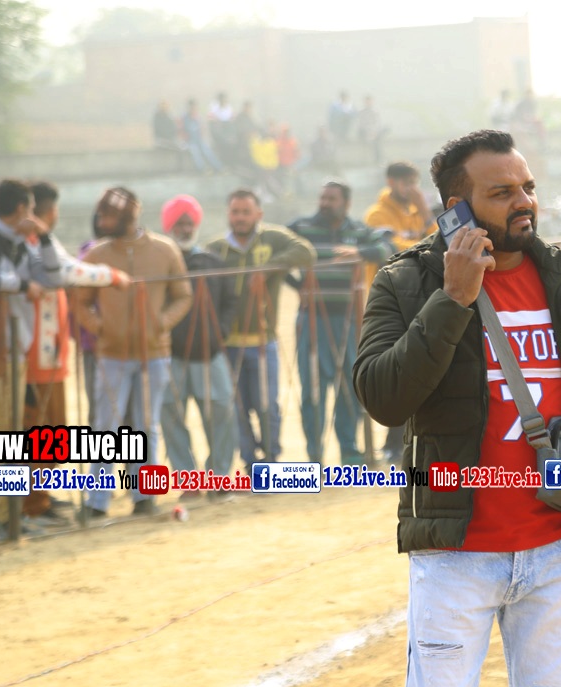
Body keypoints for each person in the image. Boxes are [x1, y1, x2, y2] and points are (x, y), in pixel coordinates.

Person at [353, 129, 561, 687]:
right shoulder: (404, 284)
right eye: (502, 193)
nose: (524, 202)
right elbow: (384, 399)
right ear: (458, 208)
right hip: (456, 555)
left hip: (560, 549)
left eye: (528, 187)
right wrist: (452, 299)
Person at [74, 187, 192, 518]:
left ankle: (145, 496)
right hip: (111, 355)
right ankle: (96, 501)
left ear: (128, 218)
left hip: (154, 354)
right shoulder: (96, 255)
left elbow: (183, 295)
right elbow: (81, 301)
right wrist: (100, 328)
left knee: (146, 425)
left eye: (108, 216)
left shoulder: (164, 250)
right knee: (104, 428)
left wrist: (161, 323)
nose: (101, 221)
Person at [0, 180, 66, 543]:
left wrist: (45, 237)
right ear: (21, 209)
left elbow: (53, 277)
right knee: (1, 434)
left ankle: (9, 515)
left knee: (11, 434)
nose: (34, 216)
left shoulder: (25, 244)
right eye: (32, 209)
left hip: (16, 350)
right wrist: (20, 286)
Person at [23, 182, 131, 526]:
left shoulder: (43, 242)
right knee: (33, 427)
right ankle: (30, 504)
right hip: (30, 351)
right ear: (46, 211)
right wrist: (112, 275)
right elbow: (68, 271)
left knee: (53, 429)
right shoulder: (24, 245)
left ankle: (41, 496)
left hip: (52, 352)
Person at [287, 181, 394, 465]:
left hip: (350, 320)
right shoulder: (302, 228)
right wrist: (296, 284)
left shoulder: (358, 231)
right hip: (312, 320)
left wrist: (360, 254)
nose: (325, 203)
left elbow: (387, 247)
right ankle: (315, 455)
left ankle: (349, 451)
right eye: (322, 197)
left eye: (331, 199)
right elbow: (276, 250)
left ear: (346, 203)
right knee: (313, 389)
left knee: (350, 385)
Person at [206, 189, 316, 465]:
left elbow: (306, 252)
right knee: (236, 409)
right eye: (235, 212)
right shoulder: (215, 248)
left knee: (267, 407)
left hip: (263, 341)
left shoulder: (273, 239)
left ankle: (270, 459)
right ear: (228, 214)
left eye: (246, 212)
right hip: (227, 344)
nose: (240, 217)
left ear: (258, 214)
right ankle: (249, 461)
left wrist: (268, 269)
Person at [158, 195, 238, 490]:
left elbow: (230, 301)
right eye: (178, 223)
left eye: (188, 223)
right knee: (171, 417)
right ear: (169, 226)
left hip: (209, 353)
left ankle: (219, 477)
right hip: (170, 355)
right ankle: (187, 480)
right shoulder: (160, 262)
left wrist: (221, 331)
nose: (184, 228)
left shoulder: (211, 261)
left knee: (222, 412)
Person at [363, 161, 438, 463]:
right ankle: (391, 445)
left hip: (419, 300)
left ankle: (403, 442)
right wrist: (422, 240)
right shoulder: (376, 214)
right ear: (391, 182)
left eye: (414, 183)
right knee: (396, 374)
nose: (411, 189)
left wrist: (426, 211)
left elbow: (440, 242)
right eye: (406, 183)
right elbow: (397, 249)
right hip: (389, 303)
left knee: (419, 372)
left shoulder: (417, 210)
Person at [182, 98, 222, 173]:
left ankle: (219, 168)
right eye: (192, 107)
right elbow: (183, 131)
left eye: (195, 107)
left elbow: (202, 130)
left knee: (207, 150)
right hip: (189, 141)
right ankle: (203, 169)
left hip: (199, 140)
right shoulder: (185, 118)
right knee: (195, 152)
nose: (194, 109)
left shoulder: (198, 117)